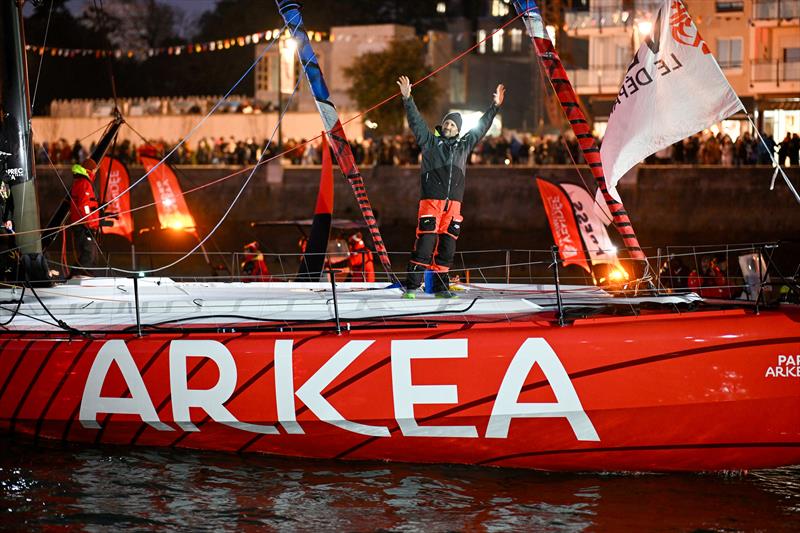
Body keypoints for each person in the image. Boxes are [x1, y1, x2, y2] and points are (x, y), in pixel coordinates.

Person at [397, 75, 504, 298]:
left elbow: (482, 127)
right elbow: (416, 122)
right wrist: (408, 98)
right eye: (446, 122)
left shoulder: (464, 146)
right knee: (425, 245)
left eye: (453, 124)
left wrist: (494, 106)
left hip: (453, 206)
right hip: (431, 202)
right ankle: (412, 288)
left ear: (458, 130)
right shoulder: (430, 142)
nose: (448, 126)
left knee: (447, 249)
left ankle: (439, 289)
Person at [69, 158, 100, 276]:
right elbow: (84, 206)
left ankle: (77, 276)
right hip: (84, 226)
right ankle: (79, 276)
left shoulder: (81, 182)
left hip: (83, 225)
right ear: (90, 170)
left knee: (90, 255)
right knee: (89, 254)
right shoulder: (84, 184)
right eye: (94, 170)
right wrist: (90, 224)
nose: (95, 173)